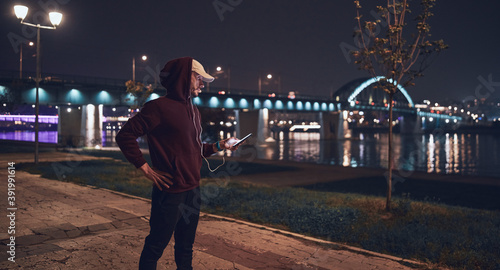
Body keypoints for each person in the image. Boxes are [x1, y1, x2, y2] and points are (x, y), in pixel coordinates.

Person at [116, 57, 239, 269]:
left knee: (185, 247)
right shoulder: (157, 108)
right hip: (169, 191)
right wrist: (144, 168)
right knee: (156, 245)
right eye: (199, 78)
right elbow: (125, 135)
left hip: (193, 191)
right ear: (184, 77)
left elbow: (195, 150)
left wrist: (221, 145)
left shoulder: (193, 111)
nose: (202, 83)